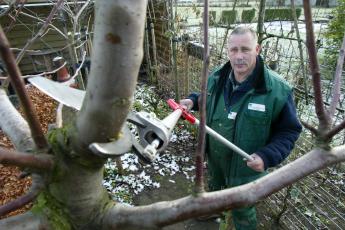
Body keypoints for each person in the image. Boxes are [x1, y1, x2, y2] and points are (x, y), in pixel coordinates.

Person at [180, 26, 302, 230]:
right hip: (216, 157)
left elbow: (289, 131)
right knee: (215, 189)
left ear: (258, 49)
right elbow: (207, 97)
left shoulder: (277, 90)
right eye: (233, 50)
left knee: (242, 208)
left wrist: (267, 155)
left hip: (246, 169)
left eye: (245, 49)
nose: (238, 57)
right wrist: (193, 101)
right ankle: (214, 208)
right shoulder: (217, 78)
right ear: (228, 51)